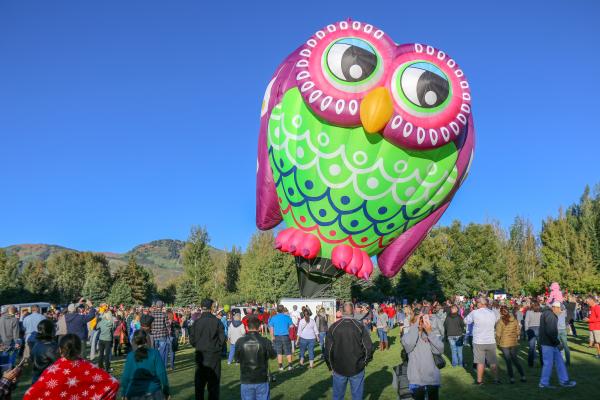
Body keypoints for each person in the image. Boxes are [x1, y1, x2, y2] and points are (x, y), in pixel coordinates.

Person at [24, 334, 119, 399]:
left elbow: (30, 395)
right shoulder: (89, 368)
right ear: (79, 349)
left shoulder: (52, 371)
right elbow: (113, 383)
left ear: (60, 350)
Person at [325, 302, 373, 400]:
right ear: (353, 311)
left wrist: (364, 362)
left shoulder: (358, 327)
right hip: (343, 368)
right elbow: (328, 350)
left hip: (354, 367)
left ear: (342, 312)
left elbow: (368, 348)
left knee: (340, 396)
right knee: (351, 397)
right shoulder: (336, 327)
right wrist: (330, 365)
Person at [402, 311, 443, 400]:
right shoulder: (406, 337)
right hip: (416, 380)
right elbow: (409, 344)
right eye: (418, 321)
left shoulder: (429, 335)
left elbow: (440, 349)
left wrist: (430, 332)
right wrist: (415, 326)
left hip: (432, 379)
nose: (420, 323)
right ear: (412, 323)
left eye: (421, 321)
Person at [190, 298, 225, 400]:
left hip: (201, 355)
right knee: (213, 385)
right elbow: (222, 339)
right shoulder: (217, 322)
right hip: (213, 356)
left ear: (201, 308)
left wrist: (199, 345)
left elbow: (192, 340)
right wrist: (216, 347)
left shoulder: (196, 322)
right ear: (211, 308)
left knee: (199, 386)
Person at [234, 315, 276, 400]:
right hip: (260, 378)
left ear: (246, 327)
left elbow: (237, 359)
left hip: (247, 379)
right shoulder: (265, 341)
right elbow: (273, 355)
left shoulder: (240, 341)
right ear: (260, 327)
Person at [120, 330, 170, 400]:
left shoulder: (130, 356)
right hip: (153, 392)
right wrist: (166, 391)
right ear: (146, 339)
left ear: (134, 341)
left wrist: (123, 392)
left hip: (136, 393)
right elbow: (162, 374)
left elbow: (126, 377)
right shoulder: (154, 353)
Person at [538, 302, 576, 388]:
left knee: (560, 362)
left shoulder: (547, 313)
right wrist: (558, 343)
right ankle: (543, 383)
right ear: (555, 308)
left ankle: (564, 381)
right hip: (548, 343)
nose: (560, 311)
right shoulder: (551, 315)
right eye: (560, 309)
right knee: (548, 364)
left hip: (550, 343)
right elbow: (550, 332)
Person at [464, 297, 500, 385]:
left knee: (480, 362)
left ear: (480, 303)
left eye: (477, 303)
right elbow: (496, 321)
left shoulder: (475, 312)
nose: (476, 304)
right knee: (493, 361)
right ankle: (496, 379)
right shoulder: (492, 313)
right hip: (490, 340)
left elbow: (465, 321)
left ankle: (480, 381)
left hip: (478, 341)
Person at [495, 306, 525, 384]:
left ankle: (512, 378)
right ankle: (523, 376)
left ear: (501, 312)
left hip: (504, 343)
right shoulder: (514, 320)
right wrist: (515, 336)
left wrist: (498, 343)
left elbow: (498, 334)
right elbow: (518, 331)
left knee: (508, 361)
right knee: (515, 359)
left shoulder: (500, 321)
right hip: (513, 342)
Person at [30, 319, 59, 383]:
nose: (55, 330)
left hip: (37, 379)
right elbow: (60, 364)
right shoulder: (51, 347)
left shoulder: (37, 344)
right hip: (47, 381)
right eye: (54, 328)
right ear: (50, 330)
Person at [268, 305, 294, 371]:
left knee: (279, 352)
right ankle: (290, 366)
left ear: (277, 310)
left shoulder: (273, 318)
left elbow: (271, 328)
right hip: (285, 336)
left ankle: (280, 366)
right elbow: (291, 326)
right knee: (288, 351)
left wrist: (272, 336)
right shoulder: (287, 317)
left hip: (277, 337)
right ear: (283, 310)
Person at [150, 300, 170, 368]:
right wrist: (169, 332)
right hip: (162, 335)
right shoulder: (164, 314)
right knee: (162, 352)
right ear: (162, 306)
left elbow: (150, 324)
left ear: (156, 306)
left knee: (155, 352)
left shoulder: (152, 314)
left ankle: (155, 365)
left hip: (154, 335)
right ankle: (161, 365)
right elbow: (167, 325)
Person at [524, 301, 542, 367]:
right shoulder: (540, 312)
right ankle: (542, 363)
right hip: (539, 329)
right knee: (540, 347)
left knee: (531, 348)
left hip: (531, 329)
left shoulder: (529, 312)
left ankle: (530, 364)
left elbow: (526, 321)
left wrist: (526, 330)